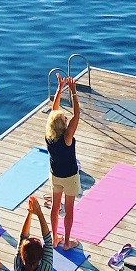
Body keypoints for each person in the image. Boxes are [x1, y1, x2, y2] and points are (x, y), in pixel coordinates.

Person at [45, 75, 81, 250]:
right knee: (69, 210)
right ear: (63, 125)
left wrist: (59, 89)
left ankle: (54, 238)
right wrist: (73, 91)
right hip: (70, 177)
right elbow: (77, 114)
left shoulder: (49, 135)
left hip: (55, 175)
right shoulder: (67, 137)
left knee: (55, 207)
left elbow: (54, 111)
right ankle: (66, 242)